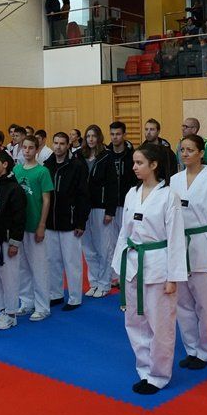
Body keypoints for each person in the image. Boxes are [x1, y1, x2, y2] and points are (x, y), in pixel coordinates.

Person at [111, 144, 187, 395]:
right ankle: (144, 369)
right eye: (134, 162)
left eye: (139, 163)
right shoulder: (131, 193)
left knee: (160, 324)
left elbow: (176, 238)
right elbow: (124, 232)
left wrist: (173, 277)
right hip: (133, 263)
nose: (134, 167)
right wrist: (119, 266)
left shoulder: (169, 196)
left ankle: (158, 375)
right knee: (135, 321)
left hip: (158, 267)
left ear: (154, 165)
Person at [170, 135, 207, 370]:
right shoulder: (174, 180)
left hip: (204, 244)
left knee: (206, 303)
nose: (185, 154)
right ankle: (191, 348)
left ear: (201, 153)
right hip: (179, 245)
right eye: (182, 150)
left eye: (190, 150)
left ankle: (205, 350)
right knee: (183, 302)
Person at [0, 150, 28, 330]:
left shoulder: (14, 189)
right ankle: (1, 310)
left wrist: (15, 242)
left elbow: (19, 218)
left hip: (8, 240)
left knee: (9, 278)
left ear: (5, 164)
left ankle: (11, 314)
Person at [44, 132, 89, 311]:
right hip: (51, 221)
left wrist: (81, 222)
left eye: (62, 143)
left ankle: (75, 297)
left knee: (72, 262)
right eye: (55, 143)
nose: (58, 146)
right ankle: (55, 294)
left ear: (68, 145)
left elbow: (83, 196)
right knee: (52, 260)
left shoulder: (77, 166)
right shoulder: (47, 165)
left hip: (70, 222)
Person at [14, 136, 54, 321]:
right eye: (25, 147)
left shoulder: (42, 171)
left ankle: (43, 306)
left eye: (31, 148)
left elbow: (46, 200)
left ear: (37, 150)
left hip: (35, 224)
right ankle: (26, 301)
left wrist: (42, 225)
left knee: (39, 268)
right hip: (20, 225)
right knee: (22, 267)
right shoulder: (16, 170)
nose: (27, 151)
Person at [82, 124, 117, 297]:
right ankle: (94, 282)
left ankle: (104, 283)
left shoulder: (107, 157)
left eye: (94, 136)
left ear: (99, 138)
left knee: (104, 248)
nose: (91, 139)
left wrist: (110, 210)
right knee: (88, 248)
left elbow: (112, 185)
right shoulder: (80, 156)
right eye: (88, 136)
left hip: (101, 207)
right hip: (84, 208)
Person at [105, 121, 137, 288]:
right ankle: (114, 275)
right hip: (110, 205)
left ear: (124, 135)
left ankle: (128, 273)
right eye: (112, 134)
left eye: (118, 134)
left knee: (127, 239)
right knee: (111, 242)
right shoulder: (106, 155)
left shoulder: (132, 155)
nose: (115, 137)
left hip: (127, 204)